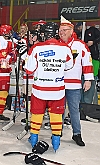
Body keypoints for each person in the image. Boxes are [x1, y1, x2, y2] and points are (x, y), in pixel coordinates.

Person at [25, 22, 74, 152]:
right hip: (57, 90)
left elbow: (28, 70)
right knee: (56, 115)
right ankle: (56, 141)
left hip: (39, 89)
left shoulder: (36, 48)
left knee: (37, 114)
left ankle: (34, 138)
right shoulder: (65, 48)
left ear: (43, 34)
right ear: (56, 33)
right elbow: (69, 66)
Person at [59, 16, 94, 146]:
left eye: (64, 30)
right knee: (59, 109)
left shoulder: (80, 45)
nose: (61, 32)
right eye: (60, 30)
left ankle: (77, 134)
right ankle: (58, 131)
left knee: (74, 110)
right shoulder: (56, 45)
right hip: (59, 84)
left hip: (74, 85)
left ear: (71, 30)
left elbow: (87, 63)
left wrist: (88, 79)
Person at [82, 25, 100, 105]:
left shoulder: (91, 32)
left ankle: (89, 105)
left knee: (93, 80)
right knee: (92, 83)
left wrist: (92, 42)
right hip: (92, 58)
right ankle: (90, 105)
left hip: (94, 58)